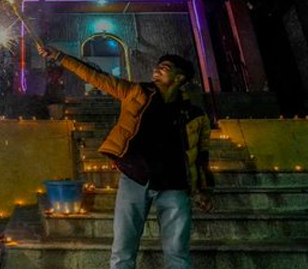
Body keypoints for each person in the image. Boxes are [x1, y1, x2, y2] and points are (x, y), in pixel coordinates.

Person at [37, 45, 214, 269]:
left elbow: (202, 155)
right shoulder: (136, 93)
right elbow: (96, 77)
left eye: (165, 68)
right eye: (157, 66)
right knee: (123, 250)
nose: (157, 69)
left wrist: (203, 188)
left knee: (178, 254)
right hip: (135, 179)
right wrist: (60, 56)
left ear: (180, 78)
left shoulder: (195, 114)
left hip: (175, 185)